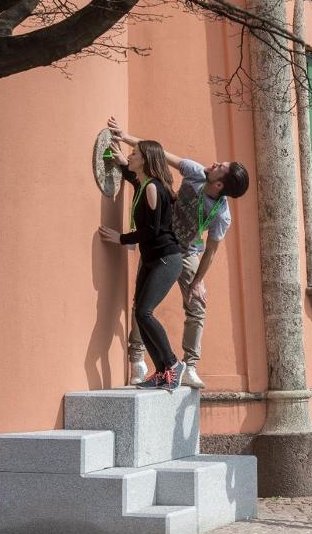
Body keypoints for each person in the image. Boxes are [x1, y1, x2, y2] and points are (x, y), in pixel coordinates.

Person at [107, 117, 249, 389]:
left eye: (220, 167)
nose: (214, 163)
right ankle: (137, 359)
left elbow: (211, 251)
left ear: (220, 184)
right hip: (159, 240)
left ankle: (189, 365)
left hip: (186, 252)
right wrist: (125, 137)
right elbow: (160, 154)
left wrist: (197, 281)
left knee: (196, 305)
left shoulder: (221, 214)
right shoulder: (196, 172)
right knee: (141, 304)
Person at [101, 140, 186, 390]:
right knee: (140, 312)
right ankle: (162, 372)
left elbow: (152, 231)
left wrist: (121, 238)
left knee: (144, 312)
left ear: (146, 160)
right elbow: (134, 180)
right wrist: (121, 163)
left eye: (134, 154)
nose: (130, 155)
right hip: (152, 259)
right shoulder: (145, 184)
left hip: (166, 259)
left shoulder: (152, 188)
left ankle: (172, 363)